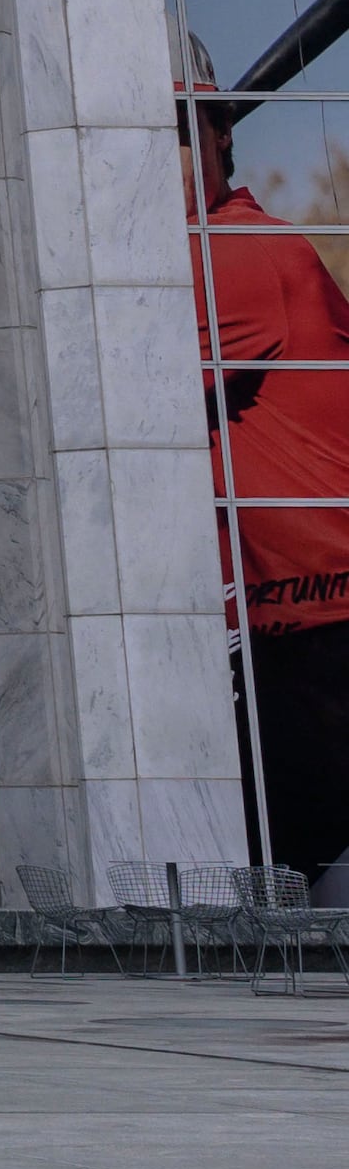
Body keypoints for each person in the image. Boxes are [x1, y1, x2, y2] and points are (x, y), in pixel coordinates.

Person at [189, 107, 349, 893]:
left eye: (178, 135)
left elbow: (113, 376)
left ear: (220, 141)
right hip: (291, 618)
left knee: (302, 860)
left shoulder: (233, 246)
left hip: (314, 616)